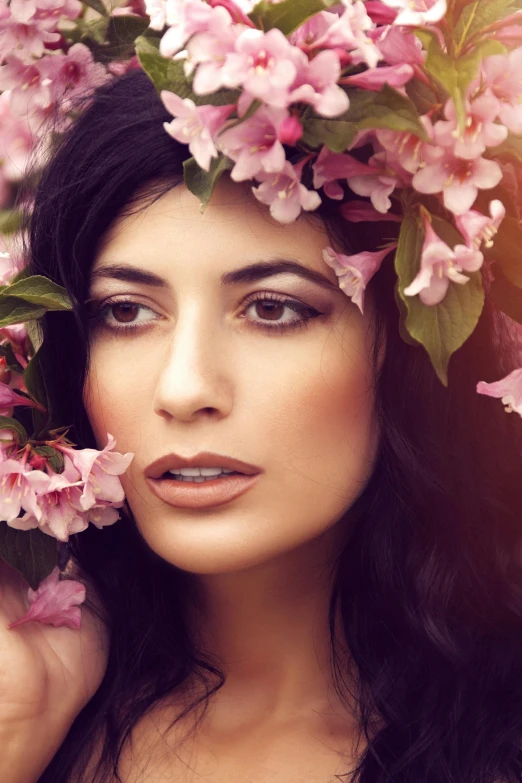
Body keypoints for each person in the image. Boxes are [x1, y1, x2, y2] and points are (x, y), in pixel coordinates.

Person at [1, 66, 522, 783]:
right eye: (125, 312)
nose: (185, 389)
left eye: (273, 308)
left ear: (407, 343)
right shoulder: (37, 705)